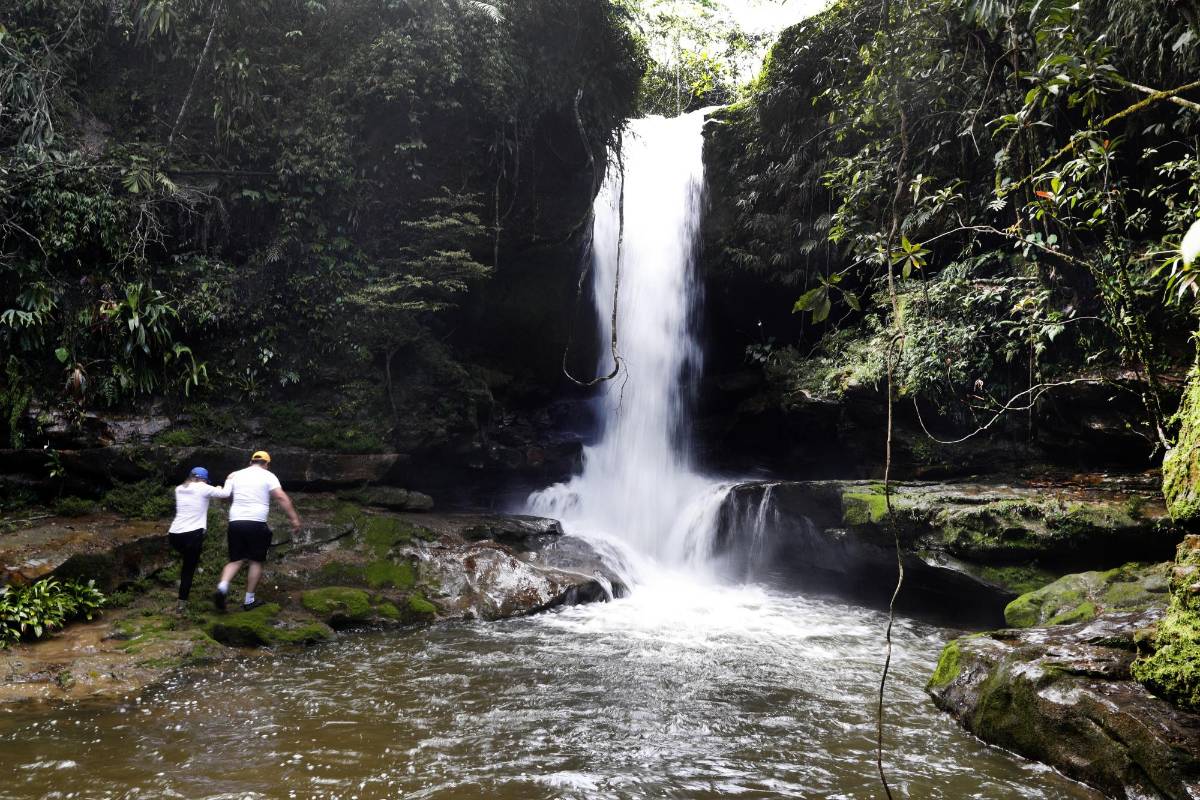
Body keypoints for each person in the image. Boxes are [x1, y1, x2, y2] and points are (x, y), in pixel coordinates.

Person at [212, 450, 301, 612]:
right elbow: (280, 496)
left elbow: (224, 497)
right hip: (256, 523)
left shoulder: (234, 475)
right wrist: (294, 518)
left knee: (235, 560)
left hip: (235, 522)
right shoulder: (268, 476)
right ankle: (249, 600)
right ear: (266, 464)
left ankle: (222, 587)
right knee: (255, 561)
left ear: (251, 462)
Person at [167, 467, 230, 609]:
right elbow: (225, 493)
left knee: (187, 561)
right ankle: (182, 603)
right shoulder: (204, 487)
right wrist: (228, 481)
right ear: (203, 479)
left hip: (174, 535)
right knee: (188, 569)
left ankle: (181, 583)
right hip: (192, 534)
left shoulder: (179, 489)